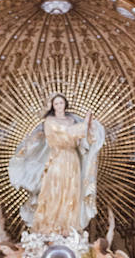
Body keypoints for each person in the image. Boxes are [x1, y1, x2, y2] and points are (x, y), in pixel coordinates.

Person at [9, 93, 104, 235]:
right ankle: (50, 227)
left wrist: (89, 128)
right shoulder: (50, 121)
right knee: (54, 191)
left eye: (61, 103)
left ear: (65, 104)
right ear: (52, 106)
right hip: (57, 159)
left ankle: (68, 228)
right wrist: (84, 125)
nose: (59, 106)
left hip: (72, 160)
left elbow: (82, 140)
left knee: (72, 192)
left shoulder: (72, 120)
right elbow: (66, 135)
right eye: (56, 104)